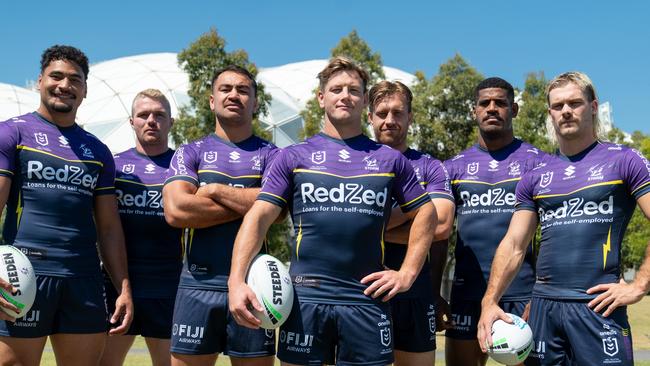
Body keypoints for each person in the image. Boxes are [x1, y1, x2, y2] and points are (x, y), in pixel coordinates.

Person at [228, 57, 437, 366]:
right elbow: (258, 218)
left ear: (365, 100)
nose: (345, 96)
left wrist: (407, 274)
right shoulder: (293, 156)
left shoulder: (389, 160)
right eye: (336, 89)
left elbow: (427, 214)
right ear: (321, 97)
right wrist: (236, 282)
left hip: (365, 301)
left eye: (354, 90)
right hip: (304, 301)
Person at [478, 71, 650, 365]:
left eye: (574, 103)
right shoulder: (536, 175)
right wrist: (489, 301)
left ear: (593, 107)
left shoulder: (624, 160)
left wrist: (639, 285)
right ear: (550, 113)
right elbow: (515, 244)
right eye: (558, 106)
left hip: (597, 307)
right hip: (544, 308)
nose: (566, 111)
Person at [0, 45, 133, 366]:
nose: (65, 85)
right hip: (23, 273)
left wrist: (123, 287)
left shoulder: (98, 151)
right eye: (56, 76)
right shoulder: (13, 132)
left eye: (75, 79)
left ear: (84, 90)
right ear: (39, 81)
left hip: (83, 279)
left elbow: (109, 228)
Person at [162, 65, 278, 366]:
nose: (234, 95)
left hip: (256, 287)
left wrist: (213, 189)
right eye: (225, 89)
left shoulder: (273, 155)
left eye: (243, 90)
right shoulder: (190, 151)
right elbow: (176, 211)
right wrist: (253, 204)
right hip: (198, 285)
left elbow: (279, 211)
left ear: (255, 102)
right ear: (212, 100)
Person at [444, 77, 545, 366]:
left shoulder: (539, 162)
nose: (492, 108)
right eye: (484, 103)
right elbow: (437, 233)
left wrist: (540, 291)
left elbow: (551, 232)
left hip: (523, 294)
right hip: (467, 293)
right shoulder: (453, 167)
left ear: (514, 109)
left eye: (500, 103)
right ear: (473, 111)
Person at [367, 80, 455, 365]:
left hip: (414, 292)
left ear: (410, 116)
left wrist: (368, 226)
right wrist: (416, 213)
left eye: (397, 113)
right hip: (362, 290)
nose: (389, 120)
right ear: (369, 117)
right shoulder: (354, 163)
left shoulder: (430, 166)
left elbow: (440, 226)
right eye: (381, 113)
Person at [99, 89, 182, 366]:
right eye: (143, 115)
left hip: (168, 286)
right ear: (131, 121)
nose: (151, 121)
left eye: (159, 115)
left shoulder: (184, 166)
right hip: (117, 286)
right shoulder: (113, 165)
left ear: (171, 122)